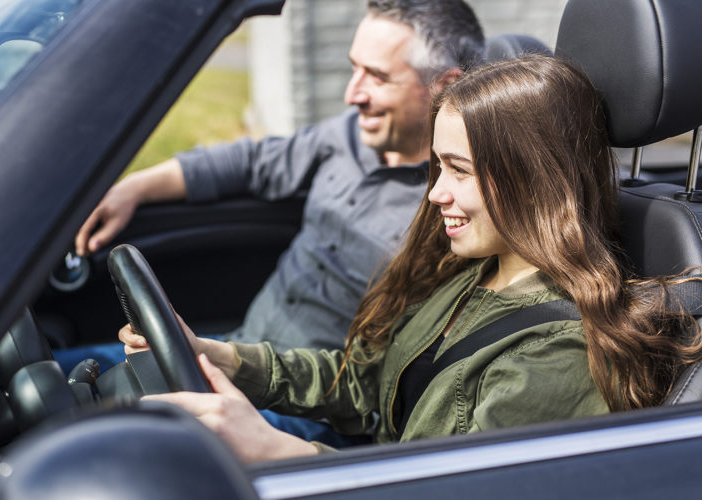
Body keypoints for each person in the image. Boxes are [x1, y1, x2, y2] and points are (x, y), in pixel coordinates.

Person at [122, 54, 702, 462]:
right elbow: (363, 386)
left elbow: (432, 485)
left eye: (459, 171)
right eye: (437, 167)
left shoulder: (557, 353)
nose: (434, 194)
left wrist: (281, 451)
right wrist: (218, 355)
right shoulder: (476, 275)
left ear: (532, 183)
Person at [72, 0, 485, 353]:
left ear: (444, 87)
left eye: (377, 77)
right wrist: (132, 189)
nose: (352, 94)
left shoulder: (458, 207)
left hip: (302, 407)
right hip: (234, 349)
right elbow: (250, 161)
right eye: (353, 69)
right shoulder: (346, 134)